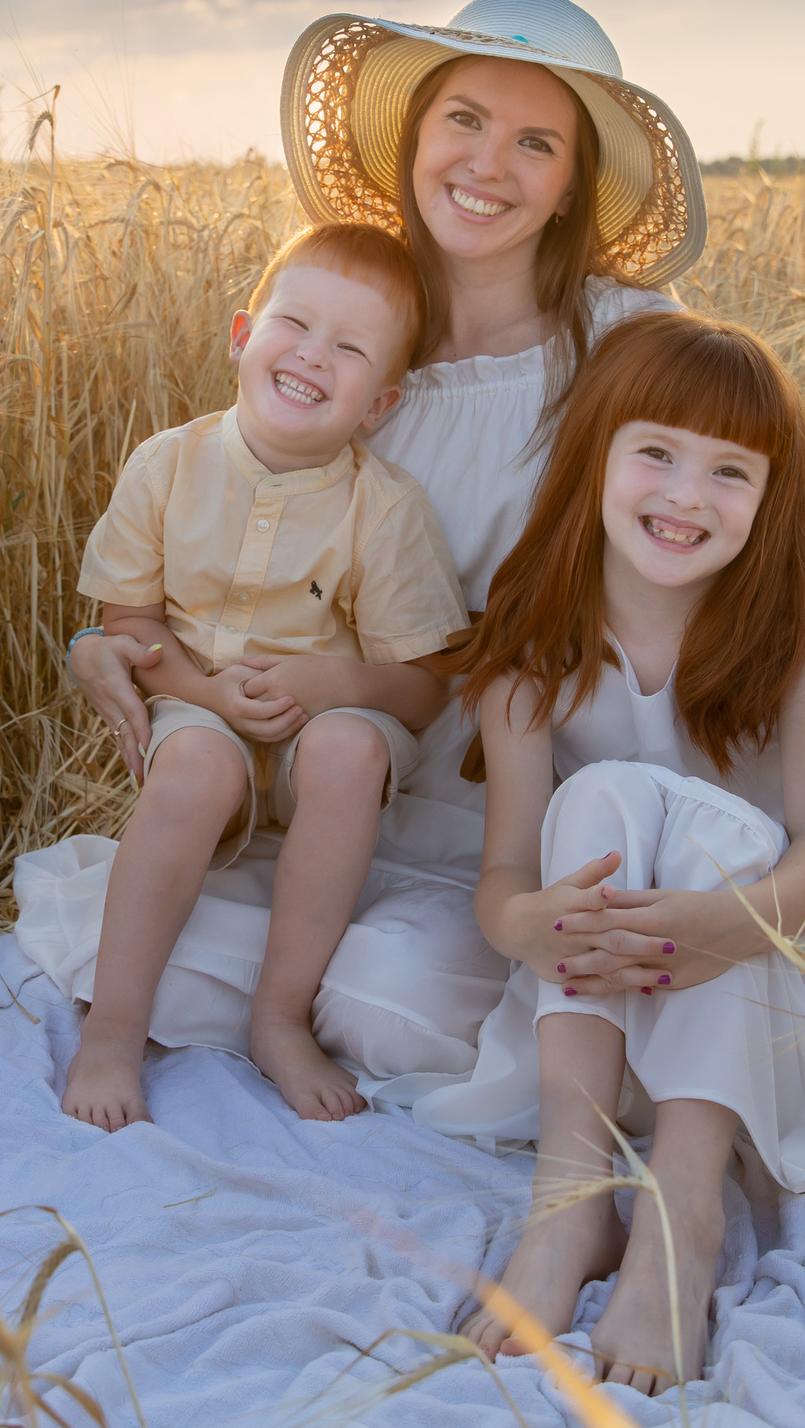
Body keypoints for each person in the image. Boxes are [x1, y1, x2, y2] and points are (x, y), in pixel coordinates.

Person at [24, 0, 805, 1104]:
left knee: (415, 995)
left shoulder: (629, 337)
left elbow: (746, 525)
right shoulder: (355, 335)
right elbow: (241, 533)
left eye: (536, 143)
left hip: (569, 758)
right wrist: (110, 646)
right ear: (413, 138)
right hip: (373, 754)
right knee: (282, 982)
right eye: (464, 122)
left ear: (574, 182)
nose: (488, 165)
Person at [446, 312, 805, 1392]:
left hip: (779, 963)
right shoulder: (534, 640)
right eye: (657, 454)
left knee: (723, 827)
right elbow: (503, 878)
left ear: (769, 502)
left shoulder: (804, 637)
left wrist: (730, 925)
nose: (685, 496)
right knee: (599, 803)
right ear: (595, 456)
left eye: (730, 472)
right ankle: (569, 1198)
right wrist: (520, 923)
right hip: (615, 982)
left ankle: (682, 1206)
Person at [59, 223, 471, 1131]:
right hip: (198, 710)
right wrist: (205, 695)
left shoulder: (386, 509)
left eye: (351, 348)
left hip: (322, 731)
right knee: (199, 767)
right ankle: (115, 1030)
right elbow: (130, 623)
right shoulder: (166, 464)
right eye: (296, 324)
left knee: (350, 752)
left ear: (379, 403)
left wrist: (334, 685)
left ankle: (281, 1019)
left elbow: (426, 685)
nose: (313, 356)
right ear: (244, 336)